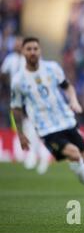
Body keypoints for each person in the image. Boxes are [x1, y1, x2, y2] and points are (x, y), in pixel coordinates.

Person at [10, 37, 84, 198]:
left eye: (35, 48)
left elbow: (67, 87)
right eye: (29, 49)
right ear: (23, 52)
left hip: (66, 120)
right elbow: (16, 108)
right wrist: (20, 134)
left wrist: (74, 101)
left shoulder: (52, 68)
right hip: (46, 128)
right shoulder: (18, 80)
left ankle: (75, 164)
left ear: (40, 51)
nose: (33, 52)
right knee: (74, 153)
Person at [1, 36, 49, 174]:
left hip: (31, 96)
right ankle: (35, 156)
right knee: (27, 127)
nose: (16, 46)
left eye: (19, 44)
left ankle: (39, 157)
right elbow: (4, 74)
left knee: (33, 126)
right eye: (15, 44)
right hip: (16, 97)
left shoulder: (31, 59)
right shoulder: (10, 59)